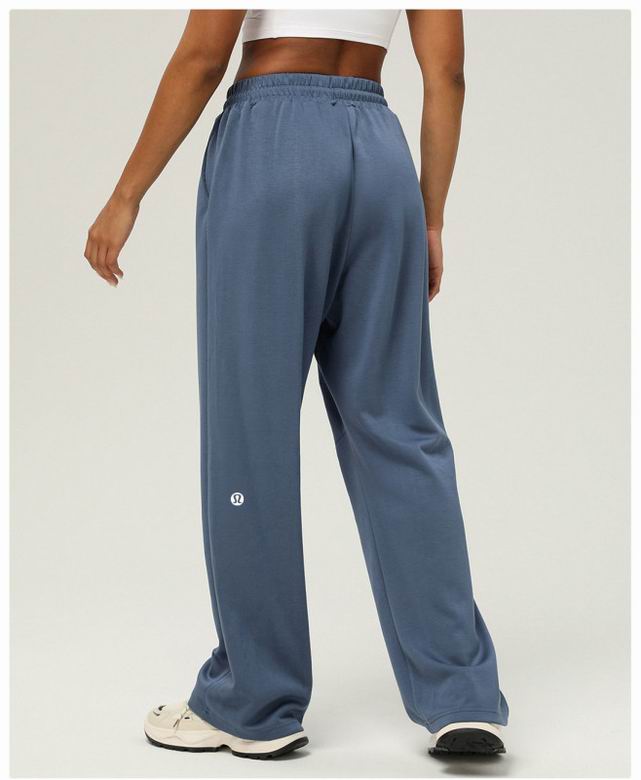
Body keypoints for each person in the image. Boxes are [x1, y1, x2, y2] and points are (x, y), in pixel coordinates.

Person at [84, 9, 509, 760]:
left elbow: (202, 58)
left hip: (270, 148)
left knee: (251, 438)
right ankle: (461, 696)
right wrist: (430, 217)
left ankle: (258, 700)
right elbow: (446, 74)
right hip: (381, 157)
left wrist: (127, 194)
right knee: (400, 430)